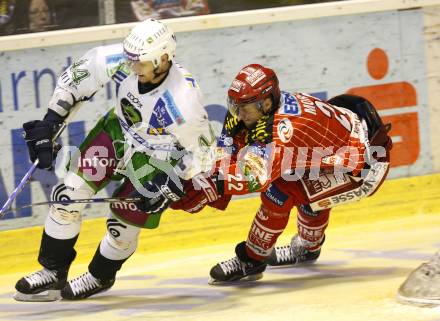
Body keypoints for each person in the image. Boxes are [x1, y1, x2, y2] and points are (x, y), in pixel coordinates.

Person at [14, 18, 217, 301]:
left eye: (141, 63)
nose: (133, 66)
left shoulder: (184, 101)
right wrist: (51, 122)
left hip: (156, 157)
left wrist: (169, 185)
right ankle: (52, 273)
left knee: (122, 228)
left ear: (163, 59)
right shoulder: (124, 59)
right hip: (117, 132)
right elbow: (76, 79)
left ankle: (100, 276)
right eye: (131, 59)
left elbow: (203, 154)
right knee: (68, 196)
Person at [168, 63, 393, 284]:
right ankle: (308, 248)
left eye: (244, 107)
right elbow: (229, 154)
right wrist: (205, 178)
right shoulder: (252, 112)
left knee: (280, 193)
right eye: (234, 104)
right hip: (336, 152)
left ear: (266, 103)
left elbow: (256, 178)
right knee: (301, 191)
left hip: (365, 166)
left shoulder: (282, 127)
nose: (237, 112)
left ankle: (251, 261)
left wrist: (211, 186)